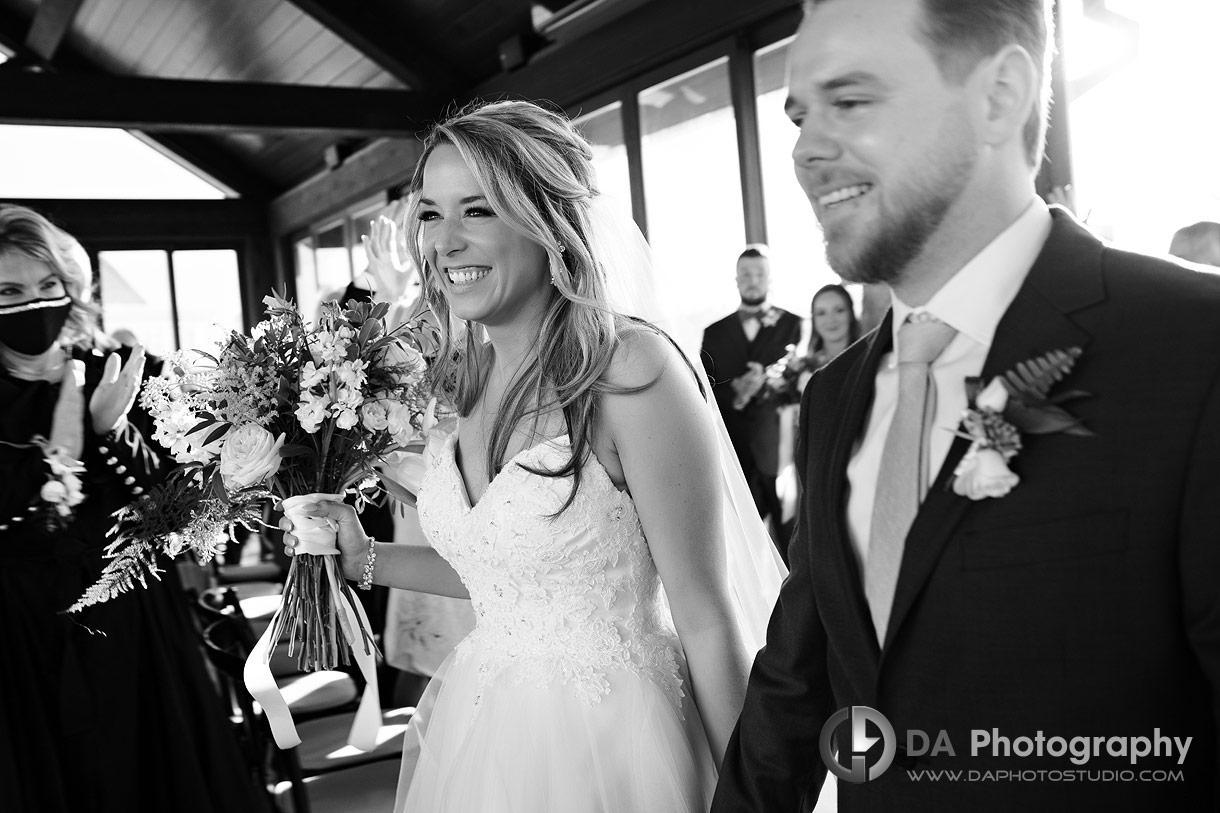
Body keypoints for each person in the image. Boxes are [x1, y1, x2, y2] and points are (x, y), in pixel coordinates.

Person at [713, 1, 1220, 811]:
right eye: (800, 117)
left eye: (852, 101)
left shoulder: (1194, 347)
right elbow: (797, 681)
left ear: (999, 94)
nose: (807, 150)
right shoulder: (835, 396)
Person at [279, 100, 785, 812]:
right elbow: (506, 576)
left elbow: (705, 615)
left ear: (547, 220)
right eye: (429, 213)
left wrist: (750, 797)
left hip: (618, 744)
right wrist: (364, 557)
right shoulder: (459, 386)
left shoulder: (630, 373)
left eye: (477, 210)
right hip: (486, 731)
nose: (444, 242)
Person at [0, 205, 262, 812]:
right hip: (21, 639)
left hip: (133, 628)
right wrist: (75, 439)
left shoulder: (110, 375)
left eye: (49, 287)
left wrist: (113, 433)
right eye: (9, 291)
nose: (33, 304)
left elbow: (181, 509)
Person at [701, 245, 802, 545]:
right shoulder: (714, 333)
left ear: (770, 279)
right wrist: (735, 395)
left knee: (792, 540)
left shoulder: (796, 326)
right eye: (746, 273)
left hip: (782, 452)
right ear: (736, 279)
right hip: (736, 455)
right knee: (744, 544)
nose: (753, 279)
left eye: (760, 273)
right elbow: (704, 394)